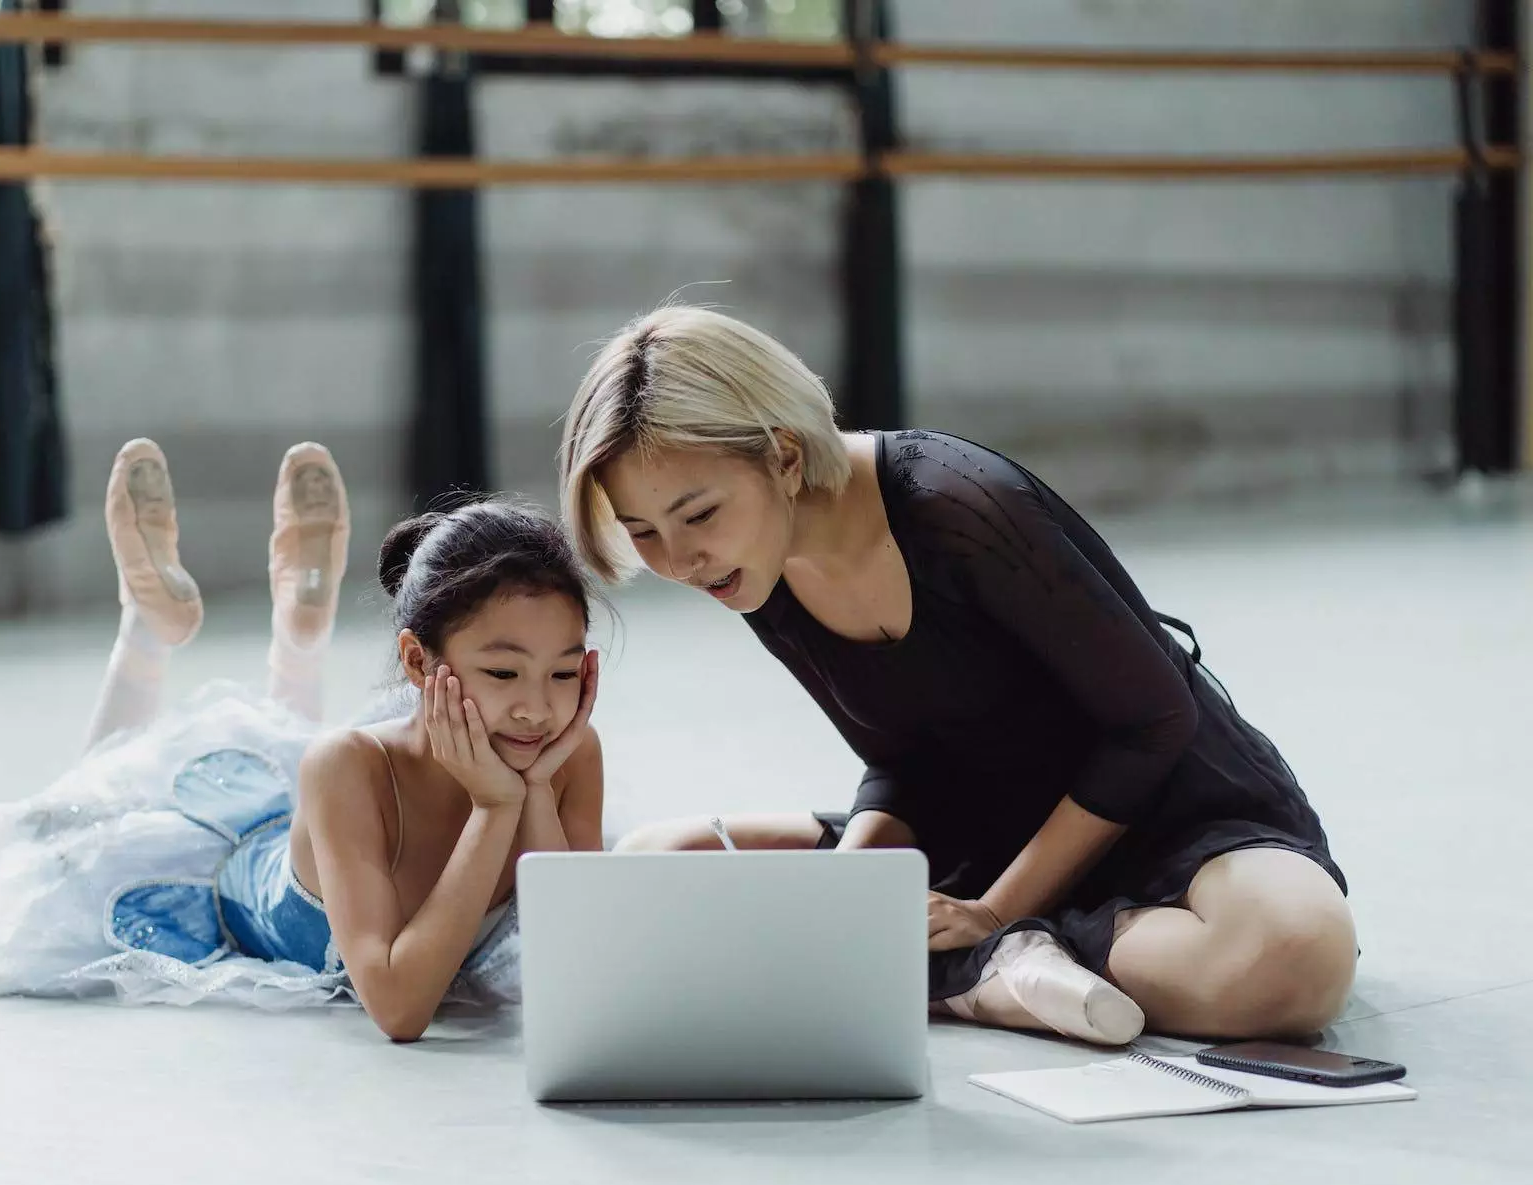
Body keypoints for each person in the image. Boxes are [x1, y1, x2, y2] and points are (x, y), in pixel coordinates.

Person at [557, 306, 1356, 1047]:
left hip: (1167, 812)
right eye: (642, 533)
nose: (681, 560)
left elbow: (1151, 723)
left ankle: (981, 971)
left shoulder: (958, 507)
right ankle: (988, 962)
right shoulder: (750, 567)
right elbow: (909, 762)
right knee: (661, 851)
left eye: (697, 515)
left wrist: (996, 911)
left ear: (786, 457)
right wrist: (854, 881)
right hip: (992, 830)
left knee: (1296, 958)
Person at [0, 439, 603, 1042]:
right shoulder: (349, 766)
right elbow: (401, 1009)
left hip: (332, 821)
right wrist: (495, 809)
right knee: (62, 829)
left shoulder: (566, 758)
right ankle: (148, 632)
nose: (538, 709)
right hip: (226, 882)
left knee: (291, 741)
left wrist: (536, 793)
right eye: (502, 672)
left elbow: (576, 968)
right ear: (417, 662)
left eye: (565, 672)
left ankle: (299, 624)